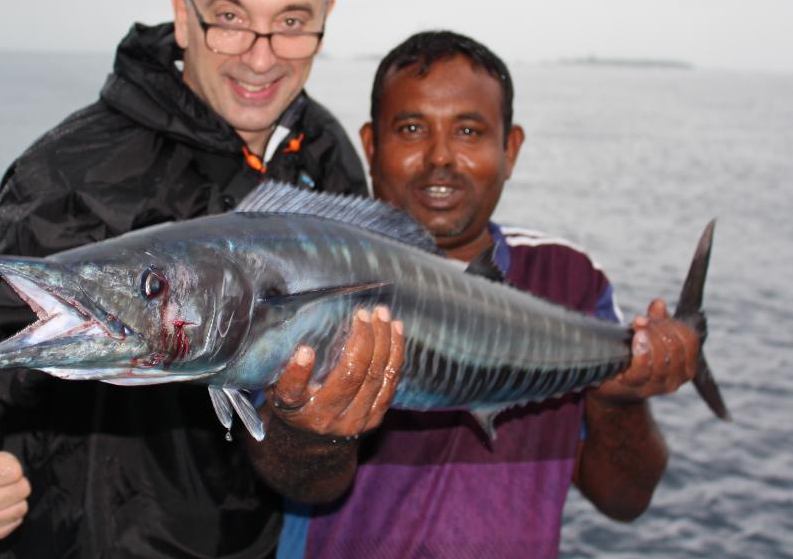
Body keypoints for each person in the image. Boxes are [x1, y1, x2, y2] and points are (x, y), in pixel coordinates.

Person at [0, 0, 404, 558]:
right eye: (230, 18)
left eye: (291, 22)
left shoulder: (328, 161)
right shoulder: (74, 170)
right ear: (184, 16)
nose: (262, 57)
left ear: (324, 21)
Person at [274, 31, 702, 558]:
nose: (439, 158)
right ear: (370, 144)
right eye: (411, 129)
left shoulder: (569, 279)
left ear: (510, 148)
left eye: (469, 131)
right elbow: (292, 480)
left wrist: (619, 399)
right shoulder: (308, 275)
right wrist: (314, 431)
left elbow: (624, 500)